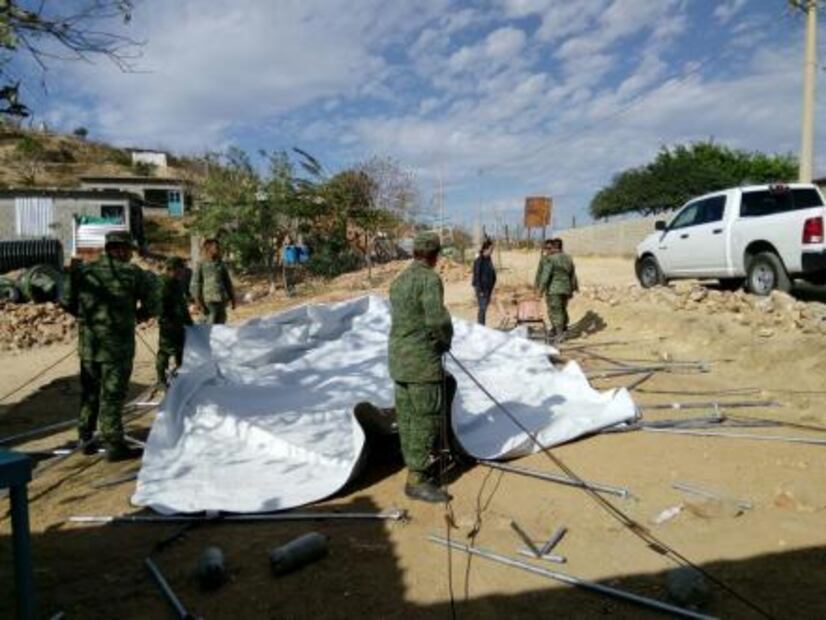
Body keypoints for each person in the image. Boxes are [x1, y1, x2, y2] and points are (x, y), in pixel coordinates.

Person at [61, 231, 159, 461]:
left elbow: (65, 301)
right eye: (129, 251)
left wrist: (85, 317)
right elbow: (154, 302)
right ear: (124, 249)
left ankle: (85, 438)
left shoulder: (84, 271)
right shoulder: (132, 273)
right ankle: (114, 444)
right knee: (113, 395)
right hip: (118, 347)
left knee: (90, 394)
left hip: (90, 346)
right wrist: (137, 315)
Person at [388, 231, 455, 503]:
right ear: (435, 255)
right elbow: (436, 320)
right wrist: (445, 341)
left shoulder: (399, 280)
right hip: (421, 362)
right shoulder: (429, 279)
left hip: (398, 360)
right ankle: (417, 479)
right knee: (426, 418)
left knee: (406, 418)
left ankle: (413, 465)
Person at [156, 256, 193, 387]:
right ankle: (161, 380)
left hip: (179, 322)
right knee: (165, 351)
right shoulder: (162, 282)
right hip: (168, 323)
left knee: (180, 350)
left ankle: (179, 374)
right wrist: (163, 319)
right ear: (174, 269)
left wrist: (189, 322)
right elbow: (158, 304)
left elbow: (182, 305)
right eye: (181, 269)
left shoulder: (177, 282)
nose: (183, 271)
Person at [537, 238, 578, 344]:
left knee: (555, 311)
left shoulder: (551, 258)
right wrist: (573, 288)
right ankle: (558, 329)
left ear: (554, 247)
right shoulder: (568, 258)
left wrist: (540, 290)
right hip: (566, 288)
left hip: (554, 289)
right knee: (562, 309)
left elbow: (545, 275)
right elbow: (573, 274)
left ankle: (560, 334)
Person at [191, 238, 235, 324]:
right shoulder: (201, 264)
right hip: (208, 303)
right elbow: (195, 284)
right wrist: (198, 302)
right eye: (216, 247)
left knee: (221, 326)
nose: (218, 249)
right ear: (208, 248)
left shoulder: (221, 264)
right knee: (210, 326)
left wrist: (232, 298)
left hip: (221, 301)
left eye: (218, 247)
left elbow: (227, 282)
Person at [472, 239, 497, 325]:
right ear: (486, 249)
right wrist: (480, 290)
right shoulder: (479, 259)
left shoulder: (488, 259)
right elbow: (477, 276)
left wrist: (492, 286)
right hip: (482, 288)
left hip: (488, 288)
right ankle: (480, 328)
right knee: (482, 308)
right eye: (491, 249)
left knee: (484, 308)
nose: (492, 251)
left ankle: (482, 326)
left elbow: (492, 272)